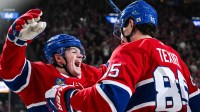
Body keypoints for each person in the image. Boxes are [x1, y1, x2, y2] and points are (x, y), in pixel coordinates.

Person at [45, 0, 200, 112]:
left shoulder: (129, 49)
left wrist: (66, 97)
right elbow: (196, 103)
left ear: (130, 24)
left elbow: (108, 101)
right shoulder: (176, 56)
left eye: (121, 30)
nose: (120, 38)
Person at [0, 9, 107, 111]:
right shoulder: (39, 75)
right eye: (74, 52)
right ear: (58, 58)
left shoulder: (90, 73)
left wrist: (124, 37)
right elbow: (9, 72)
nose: (80, 56)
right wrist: (15, 43)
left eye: (81, 52)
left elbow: (117, 68)